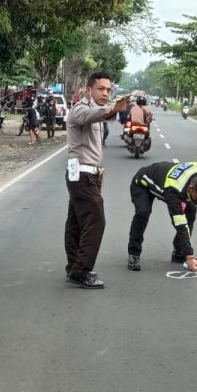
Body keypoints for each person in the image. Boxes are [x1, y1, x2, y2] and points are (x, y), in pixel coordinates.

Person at [64, 74, 130, 289]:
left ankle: (73, 266)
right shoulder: (80, 109)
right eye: (101, 89)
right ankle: (81, 271)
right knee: (96, 221)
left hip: (88, 174)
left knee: (75, 222)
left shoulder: (97, 111)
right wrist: (112, 109)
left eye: (108, 90)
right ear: (88, 89)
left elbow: (103, 117)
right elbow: (91, 115)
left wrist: (112, 110)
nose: (105, 93)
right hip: (81, 174)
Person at [127, 161, 197, 272]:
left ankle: (179, 252)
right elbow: (181, 225)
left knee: (191, 212)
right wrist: (190, 256)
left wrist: (186, 252)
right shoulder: (174, 192)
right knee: (143, 213)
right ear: (191, 188)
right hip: (143, 183)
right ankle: (133, 254)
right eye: (196, 198)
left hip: (164, 178)